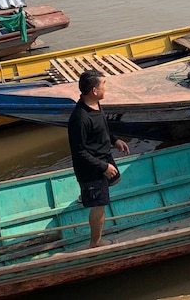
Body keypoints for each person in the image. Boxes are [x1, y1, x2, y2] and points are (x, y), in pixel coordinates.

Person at [68, 69, 130, 248]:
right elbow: (79, 152)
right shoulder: (80, 118)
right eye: (103, 85)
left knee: (116, 178)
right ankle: (95, 242)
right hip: (91, 167)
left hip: (104, 156)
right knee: (100, 205)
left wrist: (114, 140)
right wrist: (103, 167)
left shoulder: (96, 105)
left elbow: (102, 127)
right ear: (94, 91)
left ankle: (85, 195)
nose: (106, 88)